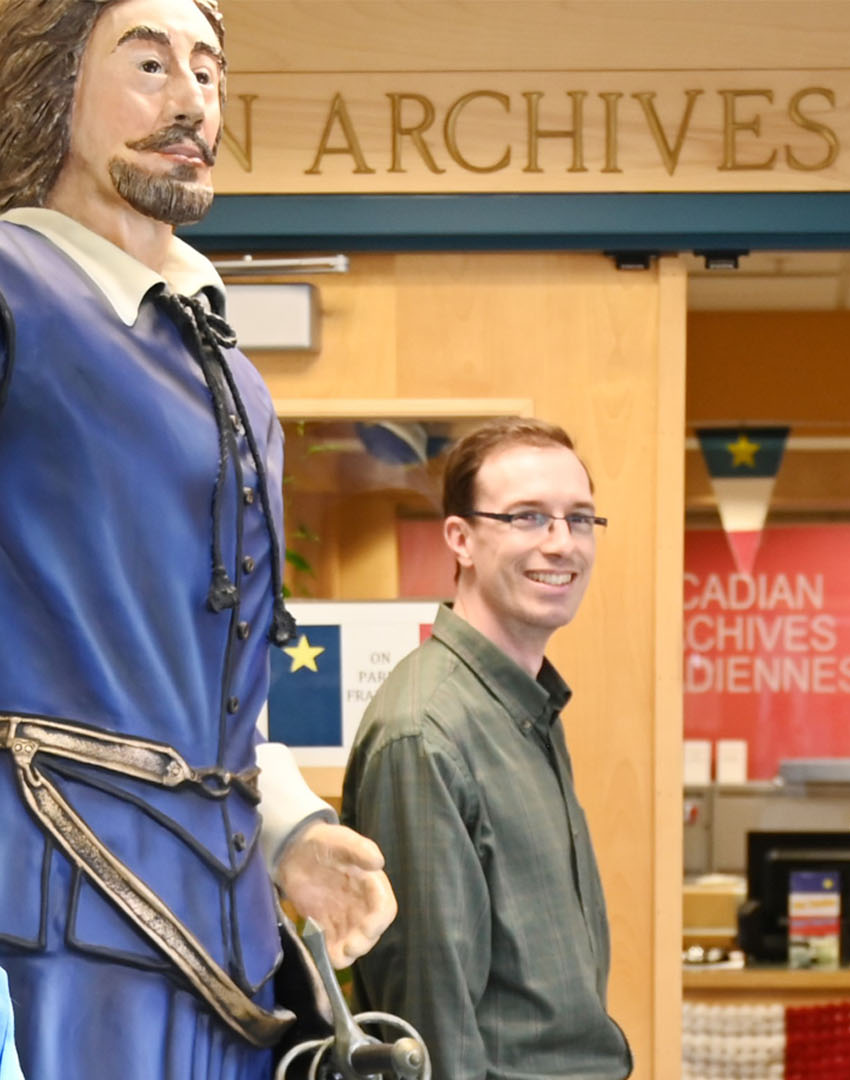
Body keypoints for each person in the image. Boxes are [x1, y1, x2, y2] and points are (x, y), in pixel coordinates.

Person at [0, 0, 396, 1076]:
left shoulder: (234, 373)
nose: (189, 101)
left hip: (221, 937)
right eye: (148, 64)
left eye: (209, 72)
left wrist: (290, 832)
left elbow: (222, 687)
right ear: (56, 93)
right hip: (46, 925)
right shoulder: (12, 296)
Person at [344, 418, 632, 1080]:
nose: (561, 544)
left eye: (579, 519)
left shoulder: (524, 708)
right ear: (461, 539)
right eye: (528, 517)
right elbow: (429, 1023)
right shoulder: (426, 731)